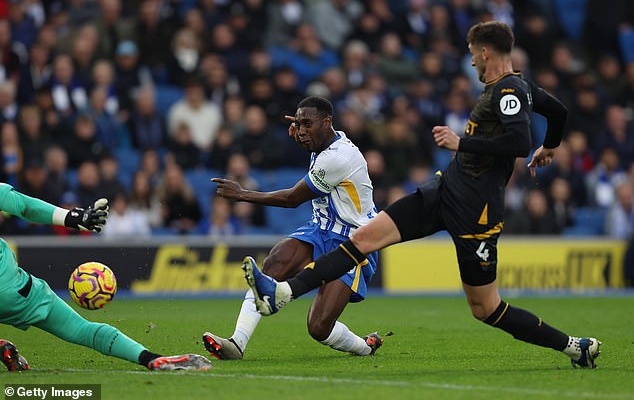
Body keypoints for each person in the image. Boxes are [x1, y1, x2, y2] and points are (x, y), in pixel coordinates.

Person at [242, 22, 602, 369]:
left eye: (473, 54)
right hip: (444, 189)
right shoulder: (519, 87)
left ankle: (574, 347)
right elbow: (558, 111)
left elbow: (520, 142)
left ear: (486, 51)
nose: (472, 61)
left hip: (476, 211)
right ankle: (283, 293)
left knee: (486, 308)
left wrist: (463, 142)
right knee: (365, 237)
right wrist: (551, 145)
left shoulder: (507, 91)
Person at [203, 96, 382, 360]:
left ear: (327, 122)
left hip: (354, 241)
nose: (301, 131)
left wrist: (242, 194)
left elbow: (292, 199)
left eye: (307, 124)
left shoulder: (339, 157)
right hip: (320, 229)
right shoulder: (327, 140)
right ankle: (237, 343)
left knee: (318, 327)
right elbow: (314, 145)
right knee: (274, 263)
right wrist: (305, 133)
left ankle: (365, 347)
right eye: (298, 125)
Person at [0, 183, 212, 371]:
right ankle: (150, 359)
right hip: (16, 291)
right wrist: (74, 217)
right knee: (82, 329)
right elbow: (24, 206)